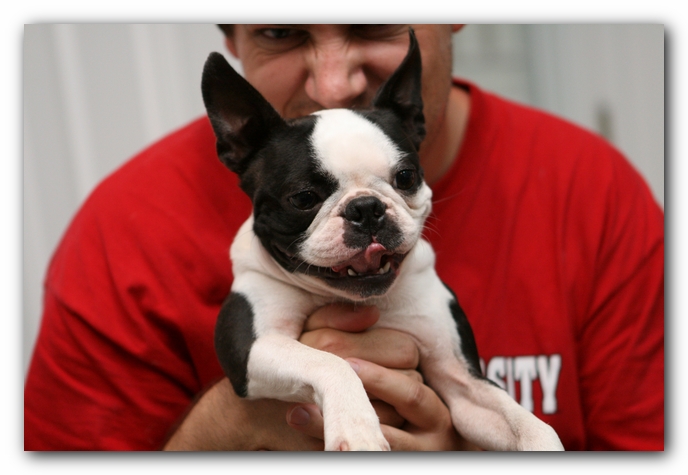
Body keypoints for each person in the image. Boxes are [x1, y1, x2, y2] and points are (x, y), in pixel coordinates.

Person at [24, 24, 664, 451]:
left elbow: (476, 394)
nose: (333, 85)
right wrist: (238, 422)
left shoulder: (595, 191)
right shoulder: (122, 232)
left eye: (373, 21)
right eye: (280, 31)